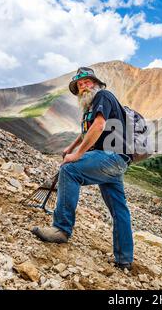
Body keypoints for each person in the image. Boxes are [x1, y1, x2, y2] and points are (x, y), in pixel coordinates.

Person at [32, 67, 134, 270]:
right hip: (118, 160)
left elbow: (98, 126)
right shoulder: (91, 106)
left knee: (69, 171)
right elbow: (86, 131)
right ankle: (124, 259)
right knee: (118, 208)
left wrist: (77, 156)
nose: (83, 86)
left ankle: (61, 229)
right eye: (79, 85)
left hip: (109, 156)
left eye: (87, 82)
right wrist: (71, 148)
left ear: (96, 83)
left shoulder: (103, 96)